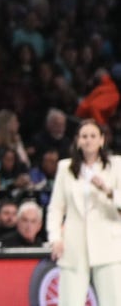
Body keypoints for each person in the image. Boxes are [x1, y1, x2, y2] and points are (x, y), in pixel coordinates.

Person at [46, 118, 121, 306]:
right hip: (74, 245)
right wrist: (55, 238)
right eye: (84, 136)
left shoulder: (116, 166)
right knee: (70, 301)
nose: (89, 140)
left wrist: (108, 190)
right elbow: (56, 207)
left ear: (102, 140)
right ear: (78, 140)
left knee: (112, 301)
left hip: (108, 243)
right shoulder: (66, 168)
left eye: (93, 136)